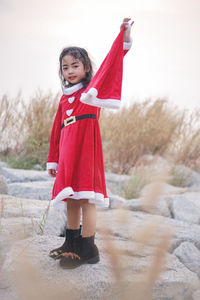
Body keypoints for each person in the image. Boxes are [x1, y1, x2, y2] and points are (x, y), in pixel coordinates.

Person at [47, 18, 133, 269]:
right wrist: (54, 159)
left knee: (86, 198)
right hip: (67, 151)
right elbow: (56, 130)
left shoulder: (92, 93)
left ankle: (87, 246)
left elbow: (113, 61)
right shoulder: (64, 99)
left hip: (85, 151)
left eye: (75, 65)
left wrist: (124, 36)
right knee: (71, 197)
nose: (70, 71)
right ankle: (71, 242)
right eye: (65, 67)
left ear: (86, 68)